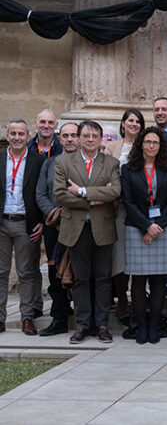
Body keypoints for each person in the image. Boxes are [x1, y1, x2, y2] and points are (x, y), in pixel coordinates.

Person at [53, 121, 121, 344]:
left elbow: (115, 191)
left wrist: (81, 192)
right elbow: (61, 195)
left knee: (103, 278)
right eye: (86, 135)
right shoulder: (63, 162)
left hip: (103, 228)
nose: (90, 139)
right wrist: (95, 200)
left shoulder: (111, 162)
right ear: (79, 138)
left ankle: (102, 325)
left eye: (95, 135)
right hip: (76, 228)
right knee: (81, 279)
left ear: (101, 139)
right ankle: (82, 325)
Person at [120, 127, 167, 344]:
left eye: (155, 142)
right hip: (137, 228)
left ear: (161, 146)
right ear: (140, 145)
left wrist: (157, 227)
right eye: (147, 142)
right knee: (138, 280)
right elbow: (128, 201)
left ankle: (154, 325)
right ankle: (140, 326)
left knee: (158, 280)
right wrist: (146, 226)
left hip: (163, 229)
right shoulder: (128, 170)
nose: (151, 146)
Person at [1, 120, 46, 336]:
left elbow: (42, 193)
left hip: (26, 223)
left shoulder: (38, 161)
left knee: (27, 272)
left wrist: (41, 222)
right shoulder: (0, 159)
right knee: (1, 272)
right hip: (2, 221)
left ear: (28, 137)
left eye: (21, 134)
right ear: (7, 136)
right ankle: (0, 318)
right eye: (13, 133)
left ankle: (27, 317)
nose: (17, 137)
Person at [35, 122, 78, 336]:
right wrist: (55, 214)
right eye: (65, 136)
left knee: (81, 269)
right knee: (55, 271)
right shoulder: (49, 163)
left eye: (73, 135)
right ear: (59, 139)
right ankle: (59, 316)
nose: (69, 139)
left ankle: (85, 317)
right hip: (54, 225)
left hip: (80, 224)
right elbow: (40, 194)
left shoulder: (88, 163)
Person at [104, 108, 145, 326]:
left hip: (141, 208)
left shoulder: (146, 145)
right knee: (120, 256)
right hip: (119, 207)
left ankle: (138, 299)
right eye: (130, 120)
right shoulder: (112, 147)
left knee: (138, 256)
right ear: (123, 123)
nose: (134, 124)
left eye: (138, 121)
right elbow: (108, 173)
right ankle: (122, 299)